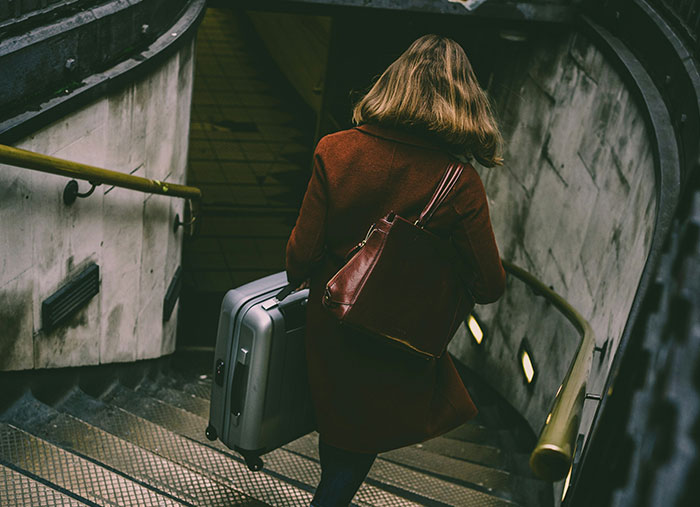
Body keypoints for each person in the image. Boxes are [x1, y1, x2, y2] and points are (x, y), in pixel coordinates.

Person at [285, 34, 506, 507]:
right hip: (391, 339)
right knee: (351, 457)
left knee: (338, 441)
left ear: (393, 82)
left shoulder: (335, 149)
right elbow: (489, 284)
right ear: (464, 101)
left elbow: (300, 258)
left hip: (330, 327)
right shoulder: (461, 183)